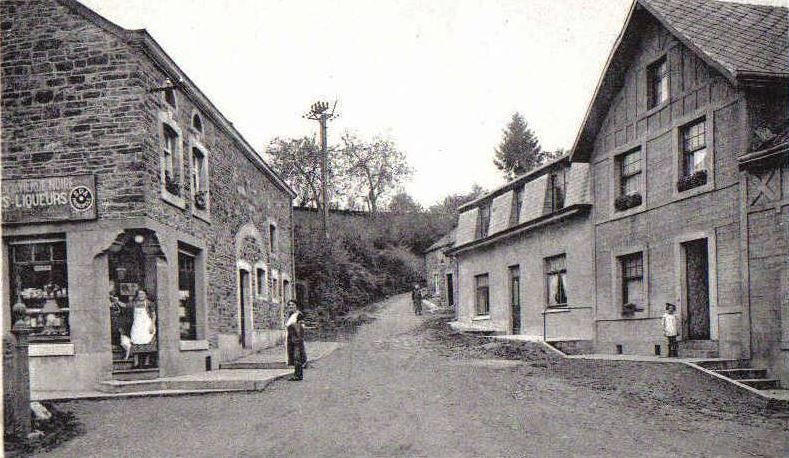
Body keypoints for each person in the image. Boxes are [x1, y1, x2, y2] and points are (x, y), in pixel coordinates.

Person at [129, 289, 157, 367]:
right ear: (137, 295)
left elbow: (154, 315)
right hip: (137, 325)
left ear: (146, 295)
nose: (141, 295)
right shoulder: (134, 304)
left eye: (142, 294)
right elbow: (125, 306)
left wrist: (152, 325)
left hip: (146, 325)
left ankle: (146, 362)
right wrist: (116, 301)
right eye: (139, 294)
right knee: (135, 341)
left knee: (148, 342)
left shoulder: (149, 304)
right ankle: (136, 363)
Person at [285, 300, 307, 381]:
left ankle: (298, 375)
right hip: (290, 337)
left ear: (296, 306)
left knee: (297, 356)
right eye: (289, 305)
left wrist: (298, 338)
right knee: (293, 356)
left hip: (296, 338)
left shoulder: (299, 315)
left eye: (292, 305)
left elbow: (302, 327)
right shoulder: (290, 315)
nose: (291, 306)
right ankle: (296, 374)